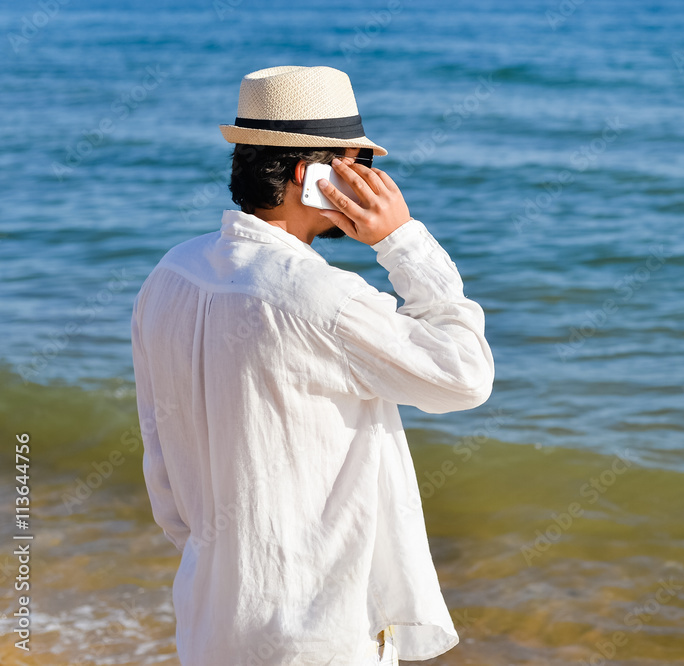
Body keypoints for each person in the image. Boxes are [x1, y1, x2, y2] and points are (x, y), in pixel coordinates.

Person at [130, 65, 494, 666]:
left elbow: (163, 469)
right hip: (319, 635)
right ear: (311, 175)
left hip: (211, 621)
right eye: (360, 166)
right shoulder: (323, 298)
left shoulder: (169, 276)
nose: (370, 184)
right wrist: (402, 241)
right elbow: (465, 375)